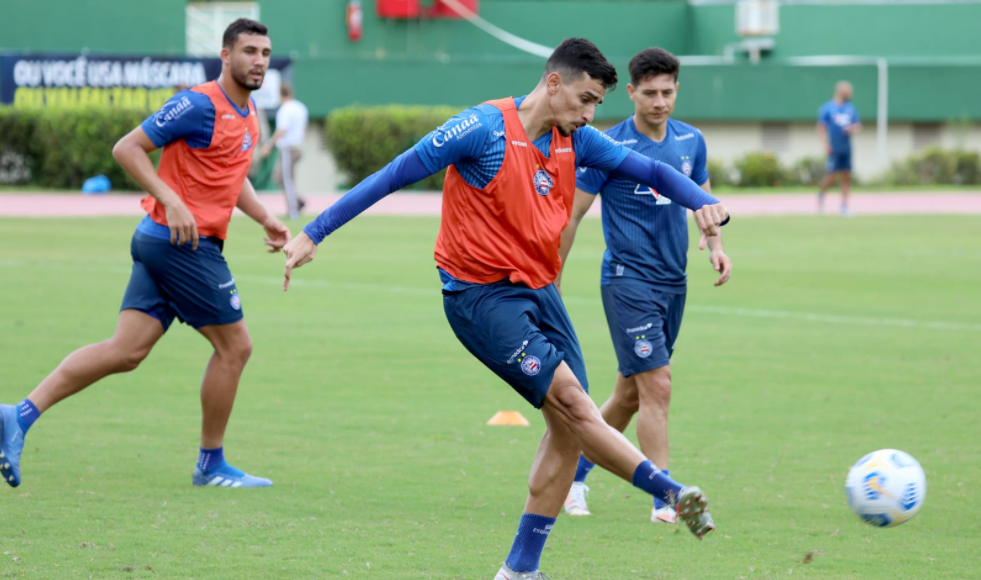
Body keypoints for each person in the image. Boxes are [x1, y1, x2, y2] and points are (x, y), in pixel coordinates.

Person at [282, 38, 727, 579]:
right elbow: (393, 175)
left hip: (541, 293)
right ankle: (671, 492)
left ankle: (520, 569)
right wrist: (314, 232)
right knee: (574, 404)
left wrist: (703, 202)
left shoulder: (577, 141)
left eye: (597, 105)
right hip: (480, 296)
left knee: (568, 429)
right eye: (585, 100)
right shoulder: (482, 129)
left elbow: (650, 172)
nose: (590, 116)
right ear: (555, 83)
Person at [0, 18, 290, 490]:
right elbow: (127, 148)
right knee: (235, 347)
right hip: (182, 246)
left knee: (126, 350)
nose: (258, 60)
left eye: (265, 52)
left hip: (167, 244)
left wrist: (265, 218)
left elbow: (231, 177)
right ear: (225, 55)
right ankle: (211, 464)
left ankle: (18, 415)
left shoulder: (250, 113)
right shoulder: (197, 104)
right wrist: (171, 198)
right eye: (249, 51)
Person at [557, 48, 732, 525]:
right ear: (631, 92)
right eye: (649, 93)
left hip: (674, 283)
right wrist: (553, 272)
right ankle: (667, 498)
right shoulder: (607, 145)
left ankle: (572, 478)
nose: (659, 101)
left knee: (629, 396)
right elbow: (572, 213)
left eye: (668, 92)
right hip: (627, 281)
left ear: (677, 90)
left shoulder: (691, 141)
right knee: (659, 384)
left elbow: (702, 198)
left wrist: (714, 243)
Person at [261, 82, 309, 220]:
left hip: (288, 148)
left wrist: (269, 144)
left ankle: (293, 210)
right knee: (279, 176)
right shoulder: (301, 107)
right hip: (298, 147)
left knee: (286, 178)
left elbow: (282, 130)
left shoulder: (286, 109)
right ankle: (297, 201)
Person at [817, 81, 861, 217]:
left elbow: (858, 126)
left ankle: (844, 206)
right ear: (840, 91)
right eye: (848, 91)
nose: (850, 94)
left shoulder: (851, 108)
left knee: (847, 176)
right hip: (833, 147)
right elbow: (821, 127)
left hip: (846, 147)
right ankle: (821, 198)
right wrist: (825, 144)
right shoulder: (827, 108)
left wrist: (852, 129)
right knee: (831, 177)